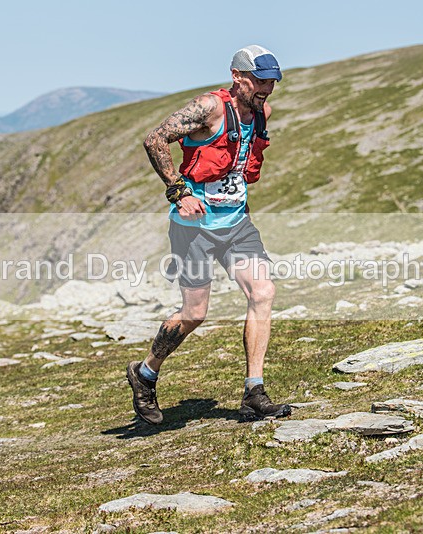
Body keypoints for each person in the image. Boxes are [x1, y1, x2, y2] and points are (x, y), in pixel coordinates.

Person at [126, 45, 291, 424]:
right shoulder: (208, 108)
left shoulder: (262, 112)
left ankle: (254, 392)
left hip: (235, 224)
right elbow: (154, 140)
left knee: (263, 292)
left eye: (272, 82)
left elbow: (239, 164)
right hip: (194, 229)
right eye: (260, 81)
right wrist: (178, 191)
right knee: (195, 313)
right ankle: (145, 373)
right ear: (238, 77)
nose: (267, 88)